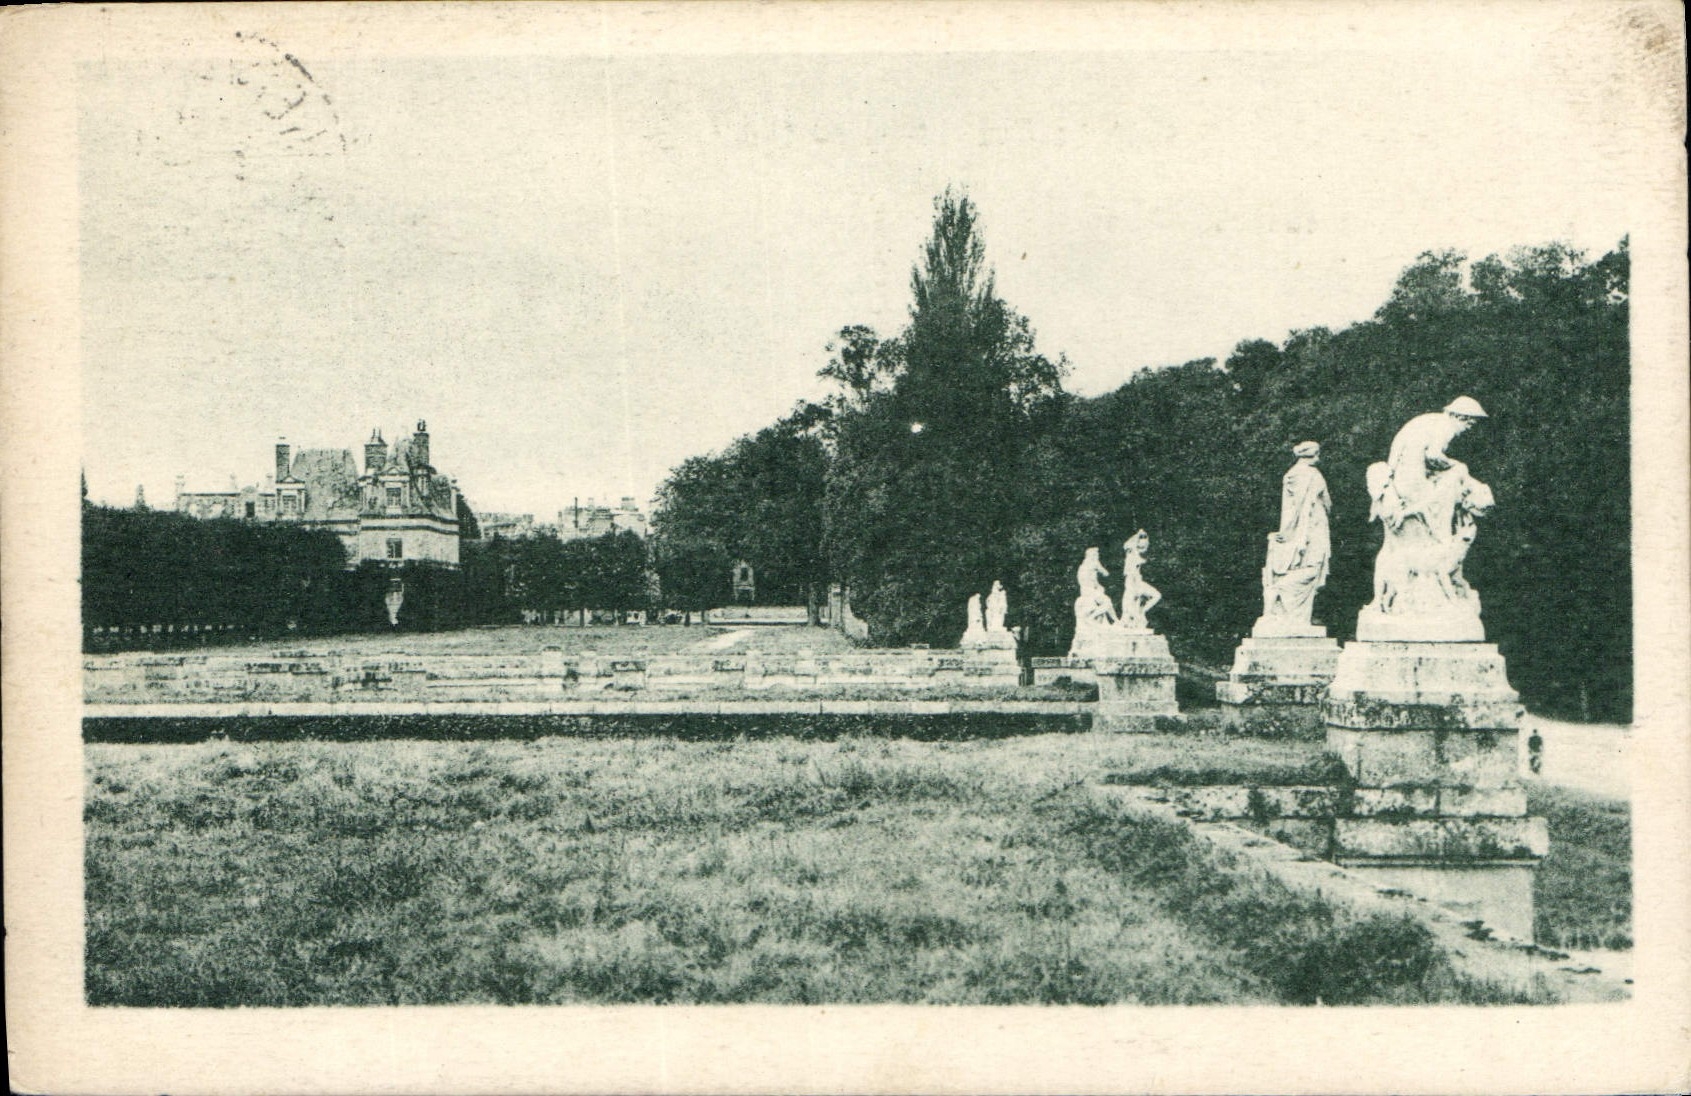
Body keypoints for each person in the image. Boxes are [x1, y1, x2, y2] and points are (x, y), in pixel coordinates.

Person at [1262, 441, 1331, 627]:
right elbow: (1297, 506)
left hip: (1312, 524)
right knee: (1311, 566)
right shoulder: (1304, 475)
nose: (1318, 458)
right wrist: (1287, 532)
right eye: (1316, 454)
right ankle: (1284, 603)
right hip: (1309, 526)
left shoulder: (1303, 474)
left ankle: (1294, 615)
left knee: (1312, 565)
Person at [1119, 529, 1161, 631]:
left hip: (1138, 582)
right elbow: (1130, 574)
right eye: (1142, 546)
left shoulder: (1135, 555)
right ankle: (1138, 616)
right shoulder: (1131, 555)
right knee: (1134, 604)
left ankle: (1141, 612)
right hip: (1134, 584)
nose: (1145, 548)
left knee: (1156, 596)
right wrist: (1138, 535)